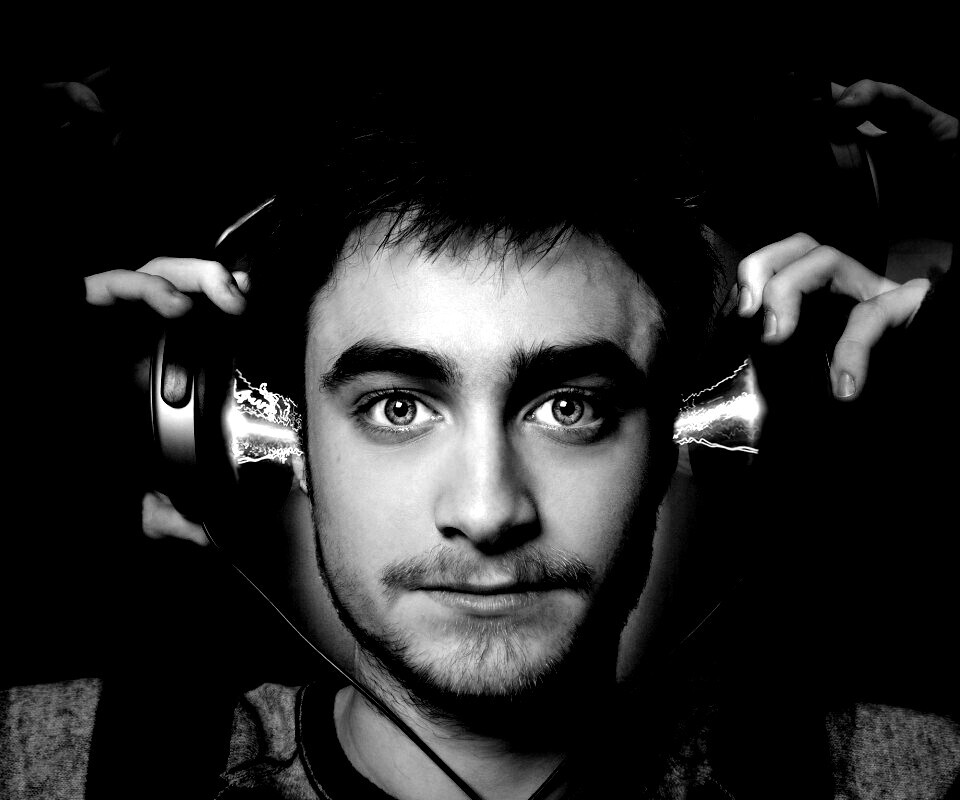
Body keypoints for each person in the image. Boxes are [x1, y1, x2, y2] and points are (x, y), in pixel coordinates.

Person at [5, 67, 957, 799]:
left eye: (568, 406)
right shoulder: (66, 765)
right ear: (263, 438)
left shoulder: (890, 775)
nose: (489, 511)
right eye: (399, 407)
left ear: (683, 437)